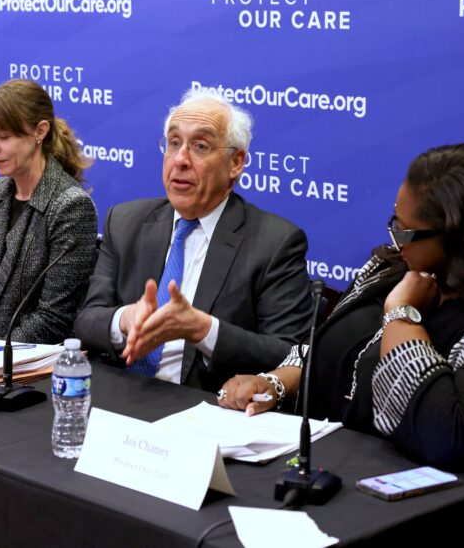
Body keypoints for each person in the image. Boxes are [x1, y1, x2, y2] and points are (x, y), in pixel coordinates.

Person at [218, 143, 464, 547]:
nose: (396, 240)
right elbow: (330, 351)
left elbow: (444, 432)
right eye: (395, 220)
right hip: (342, 495)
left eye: (406, 231)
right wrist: (275, 383)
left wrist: (402, 317)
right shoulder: (394, 270)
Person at [74, 89, 316, 393]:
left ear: (236, 163)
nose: (180, 160)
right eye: (174, 143)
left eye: (200, 146)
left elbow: (290, 354)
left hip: (203, 408)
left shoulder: (275, 243)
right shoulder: (124, 222)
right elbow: (85, 320)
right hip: (120, 398)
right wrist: (124, 319)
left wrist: (204, 330)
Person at [0, 79, 97, 343]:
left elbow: (52, 320)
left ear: (40, 131)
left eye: (3, 137)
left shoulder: (71, 206)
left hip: (17, 368)